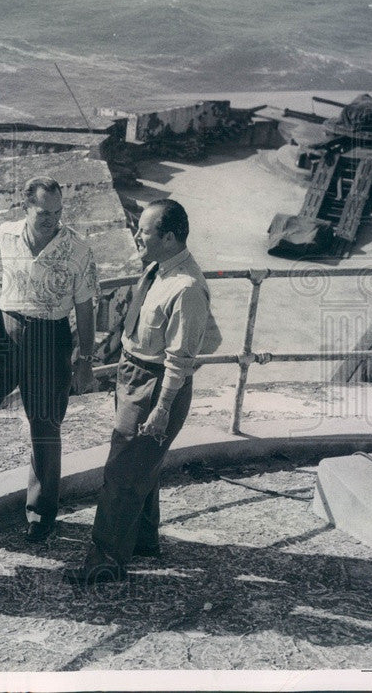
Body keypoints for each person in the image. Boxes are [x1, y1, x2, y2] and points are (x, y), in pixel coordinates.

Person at [64, 198, 212, 585]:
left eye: (144, 232)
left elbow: (182, 357)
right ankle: (144, 541)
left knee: (122, 474)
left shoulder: (186, 288)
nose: (136, 237)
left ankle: (104, 562)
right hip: (134, 374)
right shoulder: (158, 270)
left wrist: (162, 407)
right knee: (142, 465)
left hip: (154, 382)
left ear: (169, 237)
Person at [0, 177, 99, 543]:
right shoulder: (4, 235)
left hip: (50, 339)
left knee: (45, 428)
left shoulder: (78, 248)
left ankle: (41, 513)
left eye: (57, 212)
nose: (51, 219)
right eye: (43, 213)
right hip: (3, 331)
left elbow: (86, 307)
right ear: (25, 208)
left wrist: (85, 359)